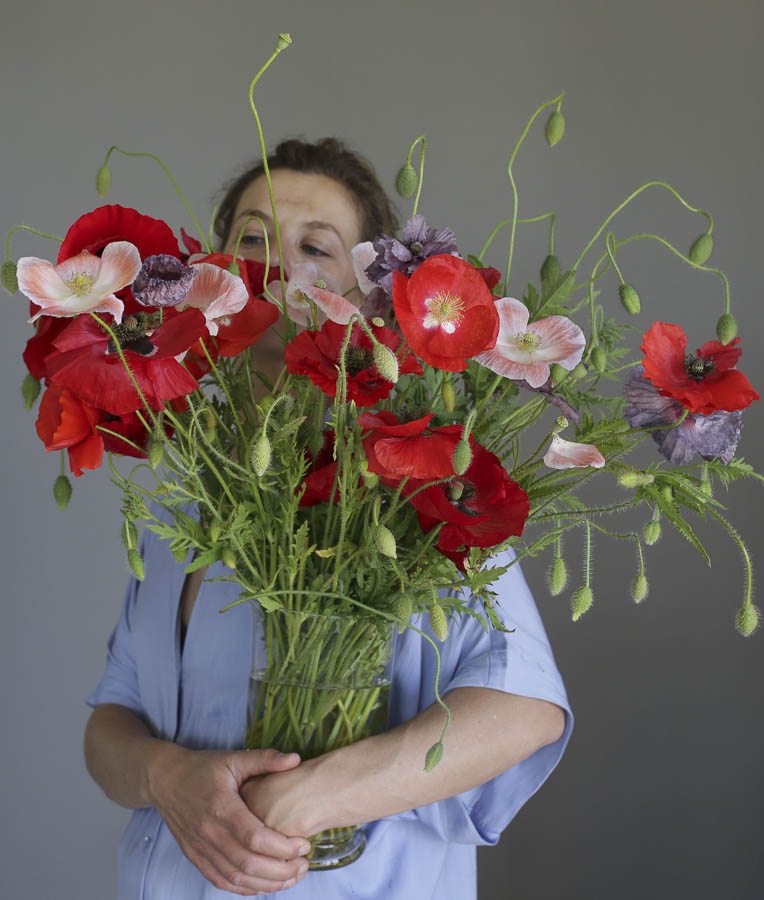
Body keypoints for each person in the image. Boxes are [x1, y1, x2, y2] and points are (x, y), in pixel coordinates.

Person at [83, 138, 573, 899]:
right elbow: (112, 720)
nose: (276, 268)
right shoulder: (184, 491)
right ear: (208, 273)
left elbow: (522, 709)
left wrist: (310, 799)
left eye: (315, 248)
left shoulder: (407, 481)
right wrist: (167, 777)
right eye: (251, 239)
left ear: (374, 297)